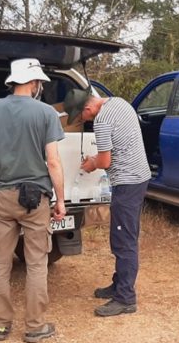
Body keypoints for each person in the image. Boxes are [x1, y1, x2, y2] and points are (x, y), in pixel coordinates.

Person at [0, 58, 66, 343]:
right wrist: (60, 200)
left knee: (0, 262)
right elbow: (54, 162)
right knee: (36, 263)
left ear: (13, 81)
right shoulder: (46, 113)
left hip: (2, 196)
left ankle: (1, 325)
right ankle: (35, 327)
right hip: (36, 198)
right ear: (34, 83)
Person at [63, 89, 151, 317]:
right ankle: (119, 284)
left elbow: (105, 160)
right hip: (140, 178)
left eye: (82, 118)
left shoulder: (101, 121)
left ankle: (125, 298)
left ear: (88, 109)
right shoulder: (120, 103)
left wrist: (92, 163)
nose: (84, 121)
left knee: (124, 241)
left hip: (127, 182)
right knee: (124, 235)